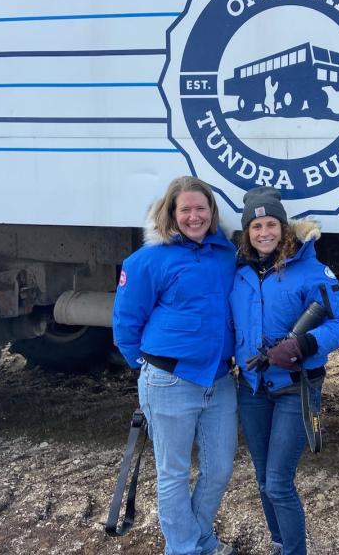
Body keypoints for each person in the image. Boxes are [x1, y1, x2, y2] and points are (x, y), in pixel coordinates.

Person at [113, 176, 237, 555]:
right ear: (171, 213)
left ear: (212, 212)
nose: (194, 216)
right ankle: (184, 549)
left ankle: (197, 539)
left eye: (201, 208)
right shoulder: (148, 260)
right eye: (186, 209)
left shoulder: (227, 255)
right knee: (174, 474)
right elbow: (126, 321)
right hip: (169, 380)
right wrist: (147, 368)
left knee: (218, 471)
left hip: (219, 379)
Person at [230, 187, 339, 555]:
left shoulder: (312, 271)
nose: (264, 232)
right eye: (256, 226)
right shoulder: (238, 272)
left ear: (284, 228)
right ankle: (280, 544)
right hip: (252, 388)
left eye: (271, 224)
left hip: (294, 389)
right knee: (264, 480)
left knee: (279, 483)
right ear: (247, 232)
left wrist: (302, 345)